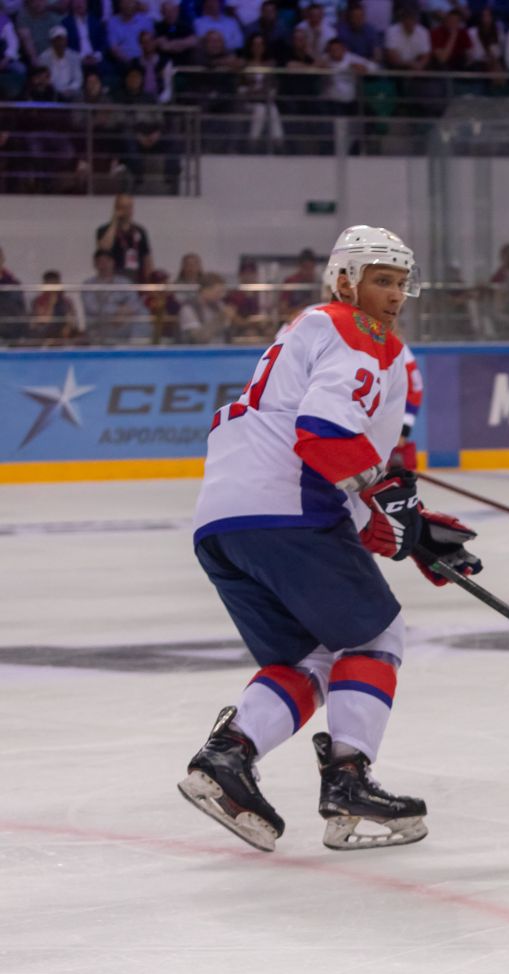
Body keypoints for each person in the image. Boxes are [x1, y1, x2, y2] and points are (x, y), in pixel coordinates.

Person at [179, 225, 482, 854]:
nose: (394, 296)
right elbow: (321, 434)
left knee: (307, 658)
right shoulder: (356, 332)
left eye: (401, 283)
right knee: (374, 636)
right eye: (381, 279)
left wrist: (413, 528)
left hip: (224, 517)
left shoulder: (309, 330)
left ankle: (225, 760)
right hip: (287, 504)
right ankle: (348, 779)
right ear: (345, 279)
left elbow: (349, 468)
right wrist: (392, 504)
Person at [94, 192, 152, 278]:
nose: (127, 211)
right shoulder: (104, 230)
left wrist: (150, 278)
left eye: (129, 207)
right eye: (123, 207)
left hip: (137, 276)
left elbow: (147, 258)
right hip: (114, 277)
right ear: (116, 208)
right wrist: (114, 222)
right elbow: (104, 248)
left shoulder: (140, 231)